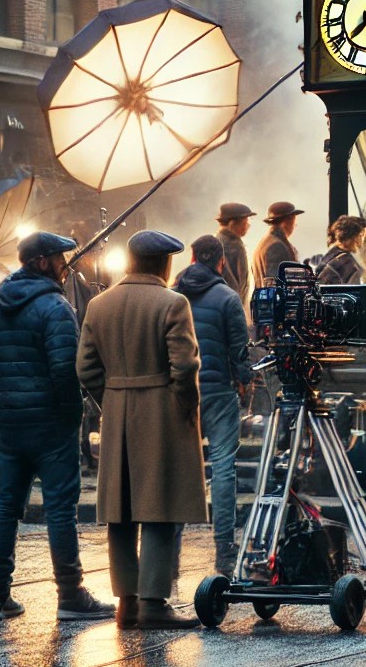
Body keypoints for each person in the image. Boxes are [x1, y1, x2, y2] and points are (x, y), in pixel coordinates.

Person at [0, 232, 114, 622]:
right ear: (40, 262)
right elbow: (65, 371)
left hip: (12, 424)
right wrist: (73, 417)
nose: (64, 265)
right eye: (58, 258)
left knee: (6, 504)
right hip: (52, 424)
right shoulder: (55, 308)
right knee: (59, 508)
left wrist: (4, 401)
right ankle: (70, 595)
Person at [77, 230, 207, 630]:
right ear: (165, 264)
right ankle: (153, 603)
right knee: (159, 508)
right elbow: (184, 367)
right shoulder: (173, 302)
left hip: (117, 412)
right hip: (161, 413)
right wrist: (185, 405)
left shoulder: (99, 305)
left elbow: (85, 368)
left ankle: (126, 604)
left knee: (121, 510)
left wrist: (113, 396)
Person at [173, 235, 252, 576]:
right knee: (222, 467)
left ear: (192, 257)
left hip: (179, 392)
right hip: (218, 392)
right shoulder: (228, 298)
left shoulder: (172, 294)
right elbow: (239, 348)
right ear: (221, 262)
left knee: (177, 469)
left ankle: (170, 547)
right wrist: (244, 380)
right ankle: (224, 548)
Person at [252, 201, 304, 290]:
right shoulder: (276, 246)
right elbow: (274, 285)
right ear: (287, 221)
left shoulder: (265, 242)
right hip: (277, 303)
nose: (295, 225)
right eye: (294, 221)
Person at [215, 202, 256, 307]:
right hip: (230, 307)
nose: (248, 225)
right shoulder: (231, 245)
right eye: (245, 221)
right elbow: (230, 281)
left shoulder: (222, 241)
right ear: (232, 223)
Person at [315, 215, 366, 284]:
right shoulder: (348, 264)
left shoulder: (331, 254)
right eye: (360, 236)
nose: (362, 241)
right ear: (351, 236)